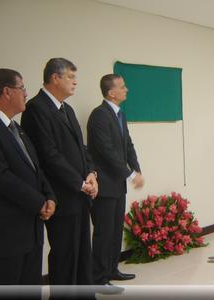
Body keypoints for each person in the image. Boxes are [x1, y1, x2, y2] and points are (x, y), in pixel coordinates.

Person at [21, 58, 98, 296]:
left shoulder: (67, 109)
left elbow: (81, 148)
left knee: (83, 254)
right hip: (62, 197)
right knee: (65, 257)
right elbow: (48, 155)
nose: (75, 82)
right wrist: (79, 183)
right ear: (55, 78)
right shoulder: (36, 109)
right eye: (71, 77)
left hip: (81, 195)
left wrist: (92, 173)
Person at [0, 69, 56, 290]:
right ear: (7, 92)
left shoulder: (15, 127)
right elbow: (0, 177)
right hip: (6, 234)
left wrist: (49, 196)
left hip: (31, 230)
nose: (26, 93)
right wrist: (39, 202)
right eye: (22, 88)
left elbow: (36, 167)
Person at [87, 74, 144, 287]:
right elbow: (107, 152)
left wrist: (136, 168)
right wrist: (129, 175)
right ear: (111, 92)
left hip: (118, 185)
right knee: (103, 233)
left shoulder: (120, 114)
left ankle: (112, 270)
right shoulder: (99, 115)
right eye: (122, 87)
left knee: (114, 231)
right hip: (104, 186)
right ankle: (99, 278)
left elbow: (127, 145)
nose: (126, 89)